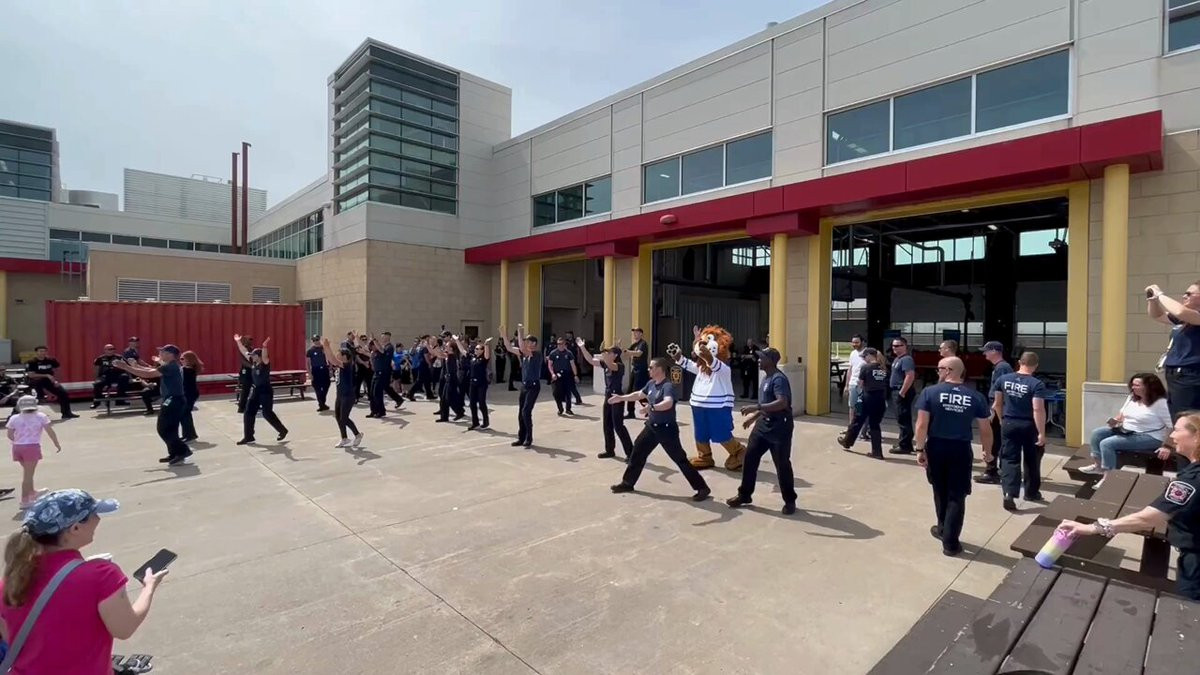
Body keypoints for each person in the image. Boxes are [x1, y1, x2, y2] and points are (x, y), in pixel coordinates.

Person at [0, 489, 167, 673]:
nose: (98, 519)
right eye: (93, 514)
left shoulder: (11, 581)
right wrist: (149, 587)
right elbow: (125, 628)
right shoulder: (101, 575)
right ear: (75, 528)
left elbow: (11, 638)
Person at [1060, 412, 1200, 600]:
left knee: (1188, 608)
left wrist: (1092, 528)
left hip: (1195, 563)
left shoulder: (1191, 481)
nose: (1172, 435)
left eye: (1177, 430)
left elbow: (1148, 519)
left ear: (1196, 437)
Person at [914, 357, 993, 556]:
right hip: (960, 448)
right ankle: (949, 537)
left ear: (948, 370)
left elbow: (922, 425)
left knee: (940, 489)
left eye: (939, 369)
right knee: (957, 494)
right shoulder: (976, 397)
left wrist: (920, 449)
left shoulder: (929, 392)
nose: (937, 372)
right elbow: (985, 429)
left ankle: (945, 532)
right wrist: (988, 450)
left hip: (937, 446)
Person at [606, 357, 712, 502]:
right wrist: (621, 398)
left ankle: (702, 488)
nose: (648, 369)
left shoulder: (668, 386)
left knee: (680, 459)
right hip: (651, 427)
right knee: (637, 452)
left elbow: (668, 403)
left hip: (666, 429)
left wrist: (652, 407)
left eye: (651, 367)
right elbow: (639, 394)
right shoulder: (651, 384)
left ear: (660, 369)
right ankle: (628, 483)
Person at [726, 348, 797, 514]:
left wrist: (756, 407)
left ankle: (790, 501)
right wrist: (754, 418)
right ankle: (744, 495)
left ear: (771, 361)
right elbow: (767, 404)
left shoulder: (779, 379)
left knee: (782, 465)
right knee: (749, 459)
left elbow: (782, 403)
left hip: (779, 428)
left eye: (762, 358)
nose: (758, 360)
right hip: (763, 426)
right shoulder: (766, 378)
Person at [1079, 373, 1173, 481]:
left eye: (1137, 385)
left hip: (1150, 436)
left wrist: (1167, 446)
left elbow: (1172, 426)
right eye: (1132, 384)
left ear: (1149, 387)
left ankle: (1108, 477)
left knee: (1107, 444)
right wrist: (1115, 421)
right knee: (1097, 433)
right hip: (1126, 430)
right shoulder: (1132, 398)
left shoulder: (1161, 403)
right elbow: (1122, 414)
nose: (1133, 387)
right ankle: (1098, 465)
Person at [112, 345, 193, 465]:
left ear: (170, 354)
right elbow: (150, 371)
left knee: (164, 428)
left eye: (162, 352)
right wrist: (135, 366)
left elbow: (149, 374)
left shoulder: (170, 366)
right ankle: (175, 453)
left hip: (173, 400)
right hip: (173, 400)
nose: (160, 354)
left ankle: (183, 451)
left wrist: (126, 367)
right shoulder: (169, 365)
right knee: (170, 429)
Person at [993, 351, 1047, 511]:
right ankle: (1031, 492)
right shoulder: (1036, 384)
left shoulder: (1003, 379)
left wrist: (1001, 420)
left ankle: (1009, 493)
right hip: (1029, 424)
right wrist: (1041, 432)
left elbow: (997, 404)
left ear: (1019, 362)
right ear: (1036, 366)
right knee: (1032, 459)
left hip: (1009, 421)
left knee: (1009, 458)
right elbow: (1038, 409)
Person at [1146, 280, 1200, 421]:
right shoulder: (1185, 319)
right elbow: (1157, 315)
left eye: (1189, 294)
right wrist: (1153, 300)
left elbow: (1180, 311)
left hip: (1191, 376)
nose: (1184, 296)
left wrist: (1160, 294)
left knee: (1187, 419)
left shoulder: (1192, 316)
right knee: (1177, 417)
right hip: (1176, 375)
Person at [578, 338, 633, 460]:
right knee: (607, 424)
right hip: (608, 396)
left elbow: (611, 364)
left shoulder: (619, 366)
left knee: (618, 426)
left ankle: (631, 453)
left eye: (610, 353)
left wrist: (604, 352)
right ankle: (609, 450)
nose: (607, 354)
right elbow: (591, 360)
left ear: (615, 355)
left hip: (617, 397)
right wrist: (582, 347)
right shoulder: (606, 363)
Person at [5, 396, 60, 510]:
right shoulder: (41, 416)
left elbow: (9, 434)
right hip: (31, 447)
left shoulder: (14, 418)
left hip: (17, 447)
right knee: (28, 476)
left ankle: (32, 492)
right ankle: (25, 501)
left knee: (28, 472)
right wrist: (56, 443)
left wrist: (18, 441)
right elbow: (50, 431)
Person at [234, 335, 289, 446]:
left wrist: (264, 346)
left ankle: (282, 430)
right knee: (248, 412)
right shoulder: (253, 362)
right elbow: (244, 351)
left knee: (267, 413)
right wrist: (238, 341)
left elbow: (265, 356)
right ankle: (248, 436)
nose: (251, 357)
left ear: (258, 356)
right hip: (256, 391)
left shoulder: (264, 364)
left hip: (265, 391)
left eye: (253, 355)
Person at [837, 347, 888, 458]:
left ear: (870, 355)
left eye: (864, 356)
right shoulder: (883, 368)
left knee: (856, 420)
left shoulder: (865, 367)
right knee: (875, 425)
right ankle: (877, 452)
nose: (864, 359)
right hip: (880, 399)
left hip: (866, 398)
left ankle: (847, 441)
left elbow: (860, 383)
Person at [974, 341, 1012, 485]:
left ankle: (991, 471)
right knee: (995, 438)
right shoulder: (1000, 367)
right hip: (995, 405)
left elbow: (1001, 391)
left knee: (992, 439)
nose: (984, 354)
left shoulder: (1002, 368)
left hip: (996, 407)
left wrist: (995, 410)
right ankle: (996, 469)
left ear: (995, 351)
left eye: (987, 351)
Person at [500, 324, 540, 448]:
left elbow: (522, 348)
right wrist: (504, 335)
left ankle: (529, 438)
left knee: (526, 412)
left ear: (534, 343)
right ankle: (521, 438)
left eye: (528, 341)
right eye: (525, 341)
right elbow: (508, 347)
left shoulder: (536, 354)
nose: (526, 343)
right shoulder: (524, 354)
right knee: (521, 413)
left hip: (533, 387)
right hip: (524, 386)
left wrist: (520, 331)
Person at [322, 339, 363, 448]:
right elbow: (331, 359)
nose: (337, 355)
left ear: (344, 356)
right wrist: (325, 348)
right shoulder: (340, 365)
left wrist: (327, 347)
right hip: (340, 395)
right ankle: (344, 438)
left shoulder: (347, 365)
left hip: (348, 395)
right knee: (338, 417)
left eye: (339, 353)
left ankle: (357, 435)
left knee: (344, 418)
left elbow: (333, 359)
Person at [23, 347, 76, 420]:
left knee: (63, 393)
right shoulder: (31, 362)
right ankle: (39, 398)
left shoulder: (51, 360)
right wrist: (46, 375)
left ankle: (67, 413)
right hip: (36, 381)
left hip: (49, 381)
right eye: (40, 351)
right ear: (36, 352)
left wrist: (56, 381)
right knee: (33, 393)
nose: (43, 353)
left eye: (44, 351)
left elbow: (58, 370)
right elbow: (31, 375)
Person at [888, 337, 915, 454]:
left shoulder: (906, 359)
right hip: (895, 390)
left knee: (903, 418)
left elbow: (910, 376)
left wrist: (902, 392)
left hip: (902, 391)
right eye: (893, 346)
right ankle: (903, 442)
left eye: (898, 346)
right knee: (900, 418)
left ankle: (905, 445)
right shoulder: (897, 359)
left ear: (905, 346)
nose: (895, 348)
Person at [433, 336, 466, 423]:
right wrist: (434, 346)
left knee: (449, 398)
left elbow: (441, 354)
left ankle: (459, 412)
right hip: (448, 379)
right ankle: (444, 417)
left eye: (447, 346)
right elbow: (438, 354)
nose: (445, 347)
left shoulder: (452, 356)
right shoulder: (448, 355)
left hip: (452, 379)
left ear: (451, 348)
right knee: (444, 398)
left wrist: (436, 348)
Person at [547, 336, 578, 416]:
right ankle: (560, 408)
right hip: (556, 375)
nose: (560, 345)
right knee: (556, 393)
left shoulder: (569, 353)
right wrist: (552, 373)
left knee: (568, 392)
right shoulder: (553, 353)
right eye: (558, 344)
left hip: (567, 374)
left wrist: (575, 375)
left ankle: (568, 409)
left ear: (564, 344)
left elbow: (572, 364)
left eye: (561, 344)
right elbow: (550, 365)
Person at [467, 337, 493, 430]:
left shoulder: (484, 359)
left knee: (481, 402)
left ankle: (485, 421)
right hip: (472, 383)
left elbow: (487, 355)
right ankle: (475, 422)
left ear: (482, 350)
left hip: (481, 383)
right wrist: (457, 340)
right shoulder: (473, 357)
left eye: (478, 349)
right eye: (476, 348)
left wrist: (486, 344)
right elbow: (463, 351)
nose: (476, 350)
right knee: (472, 403)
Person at [179, 350, 203, 444]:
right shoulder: (188, 369)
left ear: (188, 359)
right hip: (189, 393)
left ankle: (190, 435)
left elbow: (177, 370)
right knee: (184, 415)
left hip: (189, 394)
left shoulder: (188, 369)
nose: (181, 360)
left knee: (185, 414)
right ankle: (187, 434)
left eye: (182, 359)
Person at [378, 332, 405, 410]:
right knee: (386, 387)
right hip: (384, 369)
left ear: (387, 338)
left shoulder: (389, 347)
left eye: (383, 337)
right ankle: (399, 399)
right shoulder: (385, 346)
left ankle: (380, 406)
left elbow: (386, 357)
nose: (382, 339)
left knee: (381, 387)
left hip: (386, 370)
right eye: (382, 337)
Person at [626, 328, 649, 419]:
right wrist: (620, 348)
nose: (634, 334)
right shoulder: (635, 344)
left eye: (636, 333)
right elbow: (627, 352)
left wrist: (629, 352)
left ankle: (649, 408)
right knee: (630, 391)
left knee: (638, 391)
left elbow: (639, 353)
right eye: (634, 333)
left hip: (641, 370)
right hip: (634, 369)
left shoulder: (643, 344)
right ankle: (630, 412)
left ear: (641, 334)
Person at [843, 335, 865, 428]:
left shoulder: (867, 353)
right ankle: (851, 427)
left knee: (862, 407)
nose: (854, 344)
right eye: (853, 342)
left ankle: (862, 429)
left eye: (857, 342)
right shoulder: (852, 353)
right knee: (852, 406)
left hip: (863, 385)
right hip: (853, 383)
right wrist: (847, 385)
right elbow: (850, 369)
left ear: (862, 342)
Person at [306, 335, 331, 413]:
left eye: (317, 339)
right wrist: (309, 373)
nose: (316, 341)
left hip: (324, 369)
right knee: (317, 387)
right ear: (312, 341)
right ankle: (321, 404)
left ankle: (322, 402)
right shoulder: (310, 351)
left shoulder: (324, 348)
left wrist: (330, 369)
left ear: (319, 340)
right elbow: (308, 363)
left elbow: (329, 358)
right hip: (315, 370)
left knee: (326, 385)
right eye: (314, 340)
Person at [234, 335, 254, 414]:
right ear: (245, 340)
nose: (251, 341)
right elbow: (243, 361)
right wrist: (251, 366)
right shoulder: (243, 349)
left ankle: (255, 405)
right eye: (249, 340)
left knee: (256, 389)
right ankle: (241, 408)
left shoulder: (251, 349)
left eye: (251, 340)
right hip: (246, 372)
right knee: (245, 391)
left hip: (252, 372)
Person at [564, 331, 584, 406]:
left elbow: (578, 352)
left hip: (571, 367)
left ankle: (578, 399)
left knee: (571, 385)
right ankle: (566, 398)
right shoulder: (564, 351)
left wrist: (575, 374)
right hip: (566, 369)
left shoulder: (570, 351)